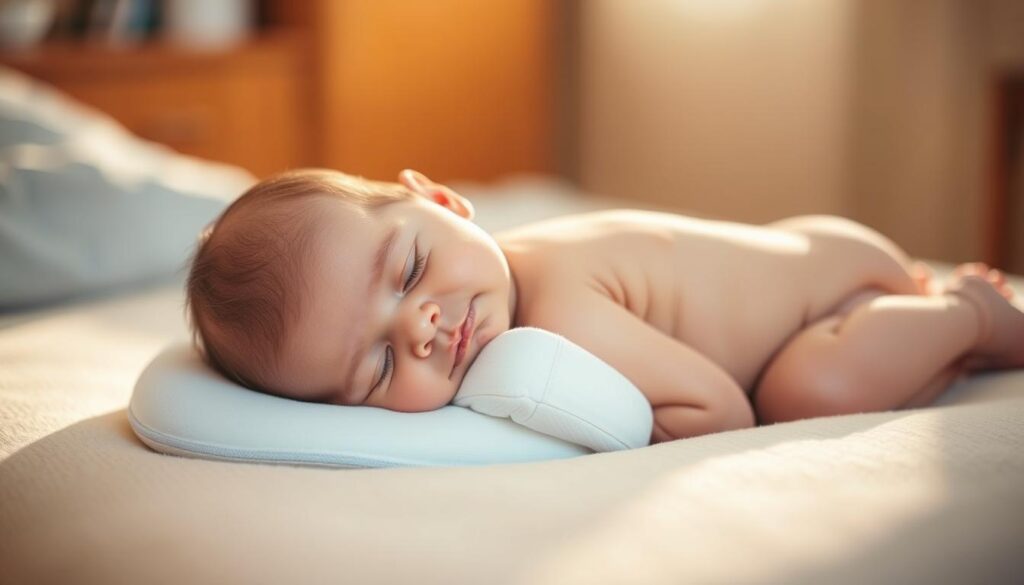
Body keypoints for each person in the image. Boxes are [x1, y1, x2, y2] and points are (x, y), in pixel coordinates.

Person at [186, 168, 1024, 443]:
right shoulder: (502, 303)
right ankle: (945, 332)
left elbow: (724, 410)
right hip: (816, 270)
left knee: (806, 397)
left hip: (840, 295)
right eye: (375, 365)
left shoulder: (561, 311)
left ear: (442, 202)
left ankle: (973, 313)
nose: (421, 328)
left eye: (407, 271)